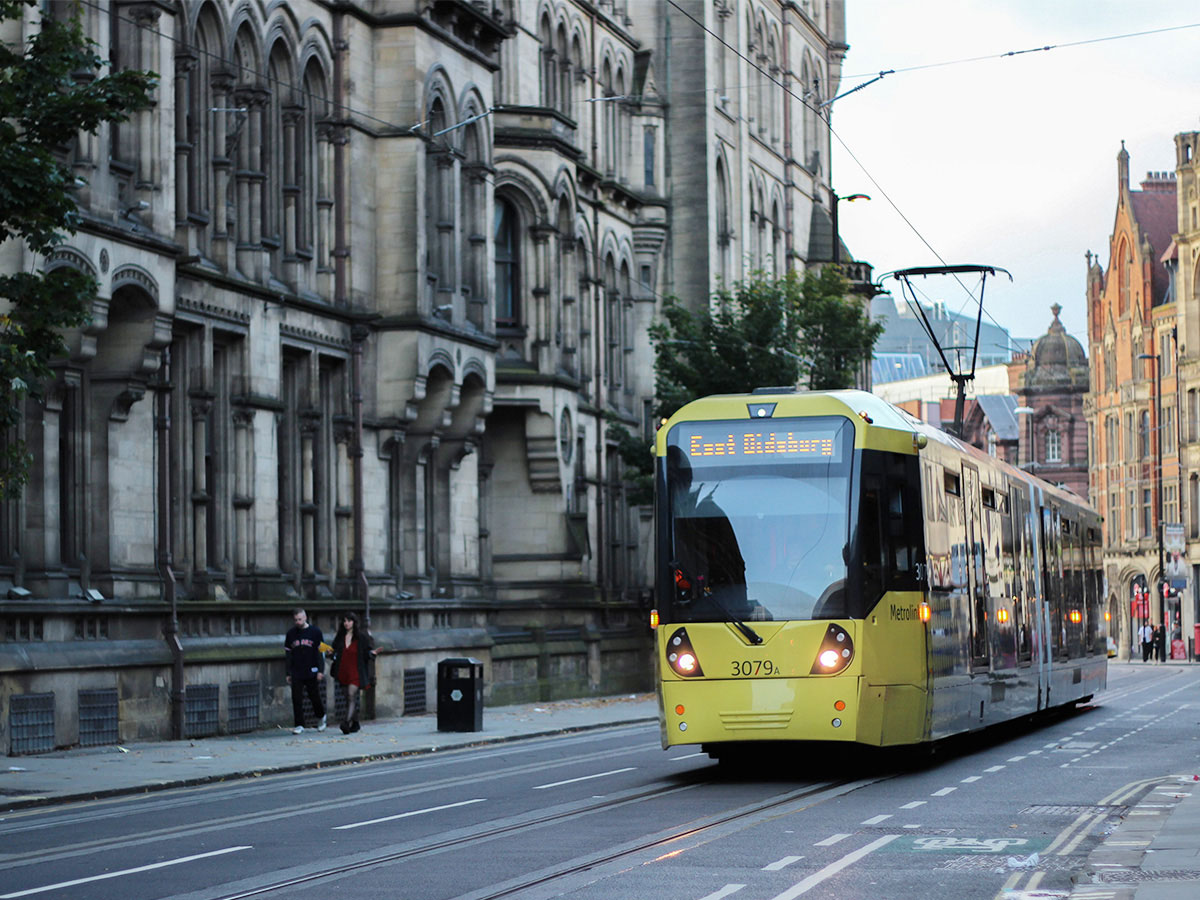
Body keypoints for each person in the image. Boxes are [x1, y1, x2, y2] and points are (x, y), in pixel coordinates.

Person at [328, 611, 374, 733]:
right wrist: (331, 653)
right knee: (347, 698)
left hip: (355, 671)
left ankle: (345, 723)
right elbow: (334, 652)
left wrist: (371, 654)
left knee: (351, 695)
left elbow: (367, 652)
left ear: (354, 622)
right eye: (344, 621)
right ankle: (356, 723)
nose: (346, 623)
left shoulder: (361, 637)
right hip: (343, 671)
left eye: (349, 621)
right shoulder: (339, 637)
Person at [284, 608, 326, 734]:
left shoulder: (315, 632)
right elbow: (288, 655)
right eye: (296, 620)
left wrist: (320, 670)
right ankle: (299, 724)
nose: (298, 622)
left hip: (312, 669)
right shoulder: (291, 634)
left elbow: (321, 653)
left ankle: (321, 716)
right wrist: (288, 672)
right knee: (296, 698)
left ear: (305, 617)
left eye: (300, 619)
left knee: (314, 696)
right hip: (297, 670)